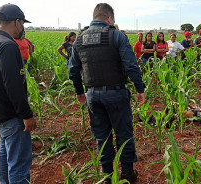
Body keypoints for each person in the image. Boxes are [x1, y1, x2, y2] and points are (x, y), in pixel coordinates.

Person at [68, 3, 145, 184]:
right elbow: (131, 66)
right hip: (116, 93)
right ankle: (127, 172)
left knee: (101, 135)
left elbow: (73, 70)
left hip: (93, 95)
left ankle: (107, 174)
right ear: (109, 18)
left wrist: (79, 92)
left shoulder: (79, 39)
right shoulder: (116, 35)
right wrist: (140, 89)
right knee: (124, 133)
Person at [0, 3, 36, 183]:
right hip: (11, 115)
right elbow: (14, 86)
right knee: (19, 166)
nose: (23, 28)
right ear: (16, 22)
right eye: (23, 23)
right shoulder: (8, 45)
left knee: (4, 155)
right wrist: (26, 115)